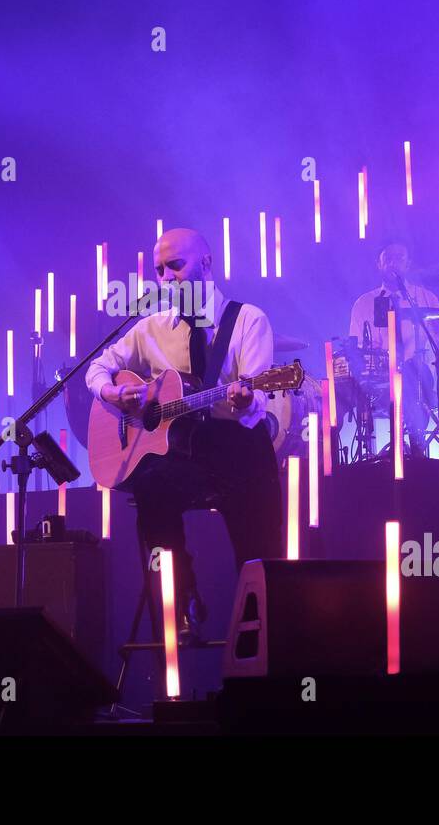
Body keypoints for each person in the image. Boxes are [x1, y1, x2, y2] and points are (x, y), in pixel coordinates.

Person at [86, 228, 281, 640]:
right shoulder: (149, 328)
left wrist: (245, 401)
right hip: (187, 457)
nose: (166, 277)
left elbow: (256, 405)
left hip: (239, 452)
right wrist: (115, 393)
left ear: (206, 263)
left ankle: (258, 638)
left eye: (175, 265)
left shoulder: (247, 320)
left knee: (259, 560)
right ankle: (181, 597)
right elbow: (97, 369)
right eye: (159, 270)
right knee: (151, 486)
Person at [348, 242, 439, 454]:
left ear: (408, 264)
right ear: (379, 264)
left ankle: (414, 448)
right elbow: (356, 350)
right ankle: (404, 449)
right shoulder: (364, 303)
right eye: (388, 259)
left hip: (419, 377)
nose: (394, 263)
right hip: (380, 381)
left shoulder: (425, 298)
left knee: (412, 372)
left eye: (399, 258)